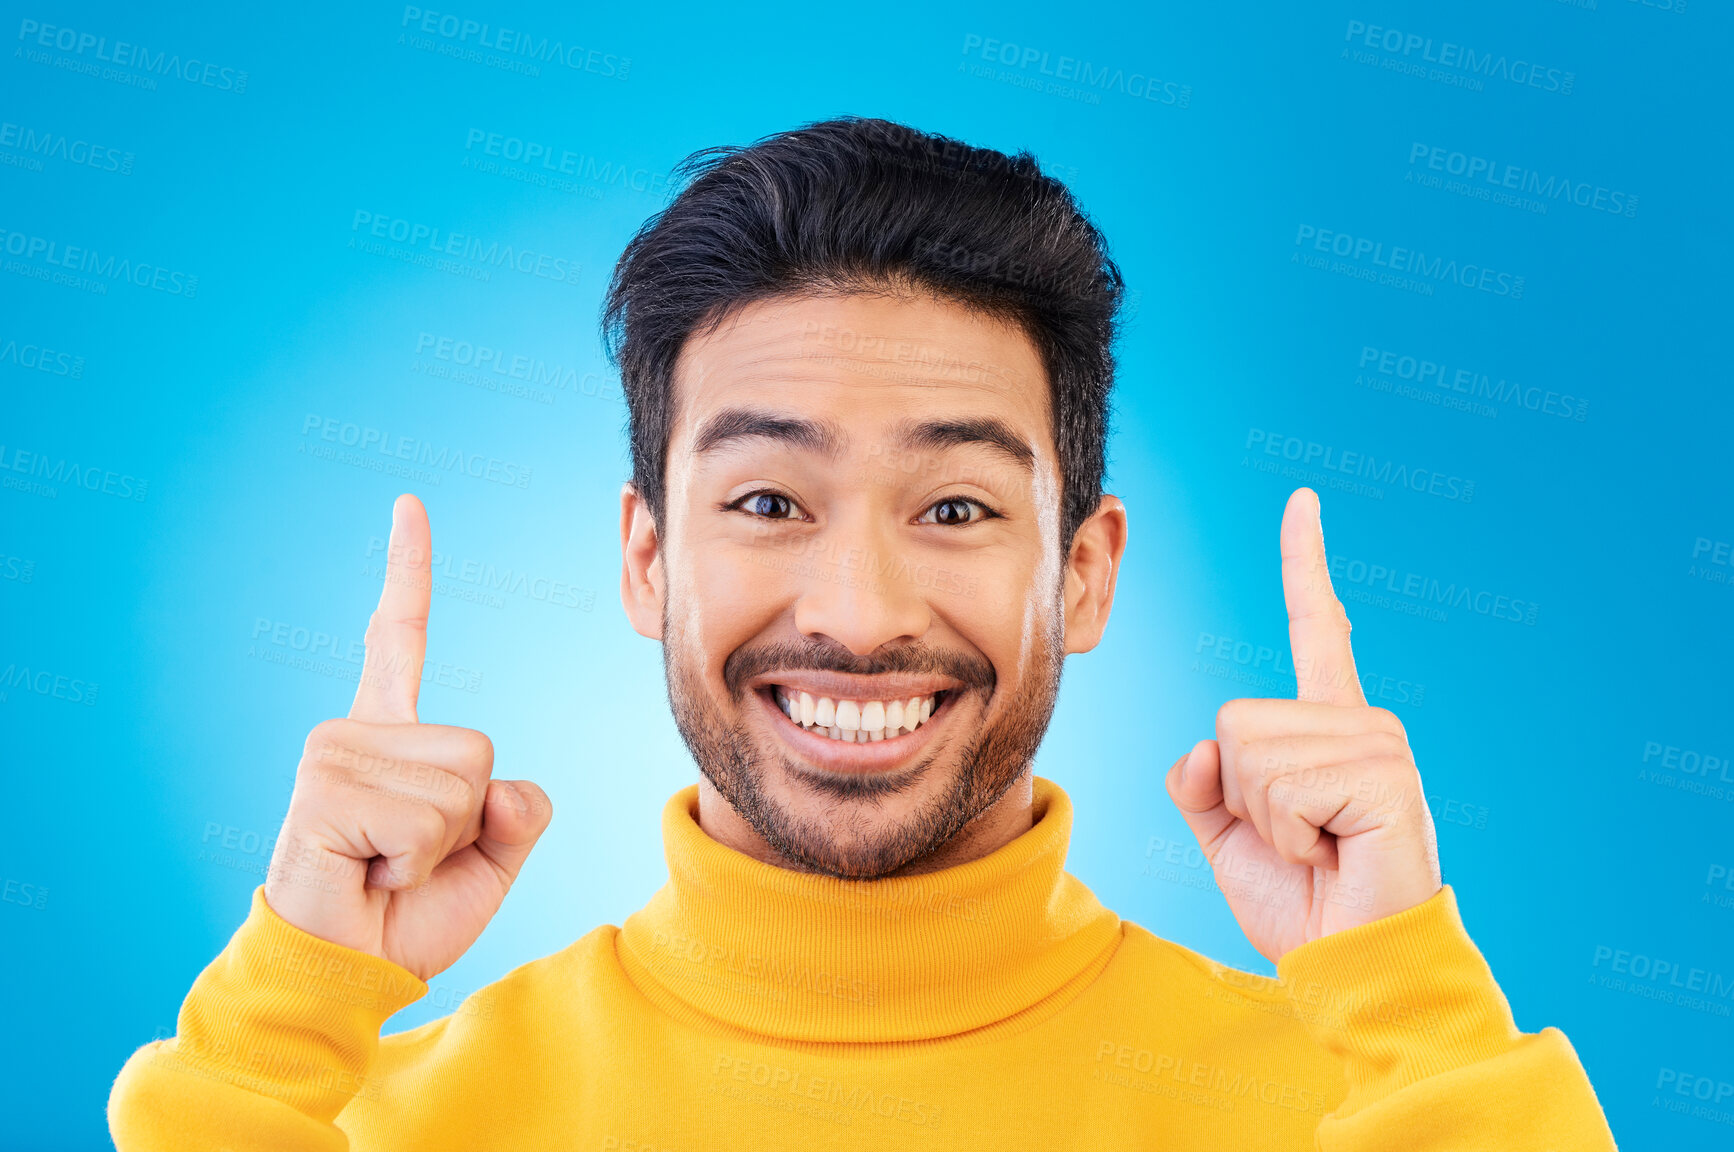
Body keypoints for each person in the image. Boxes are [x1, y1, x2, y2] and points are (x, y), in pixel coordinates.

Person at [109, 117, 1616, 1149]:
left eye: (954, 509)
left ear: (1082, 574)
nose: (858, 614)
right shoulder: (364, 1123)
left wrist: (1408, 1000)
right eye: (767, 499)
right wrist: (286, 1006)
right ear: (646, 560)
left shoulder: (1361, 1111)